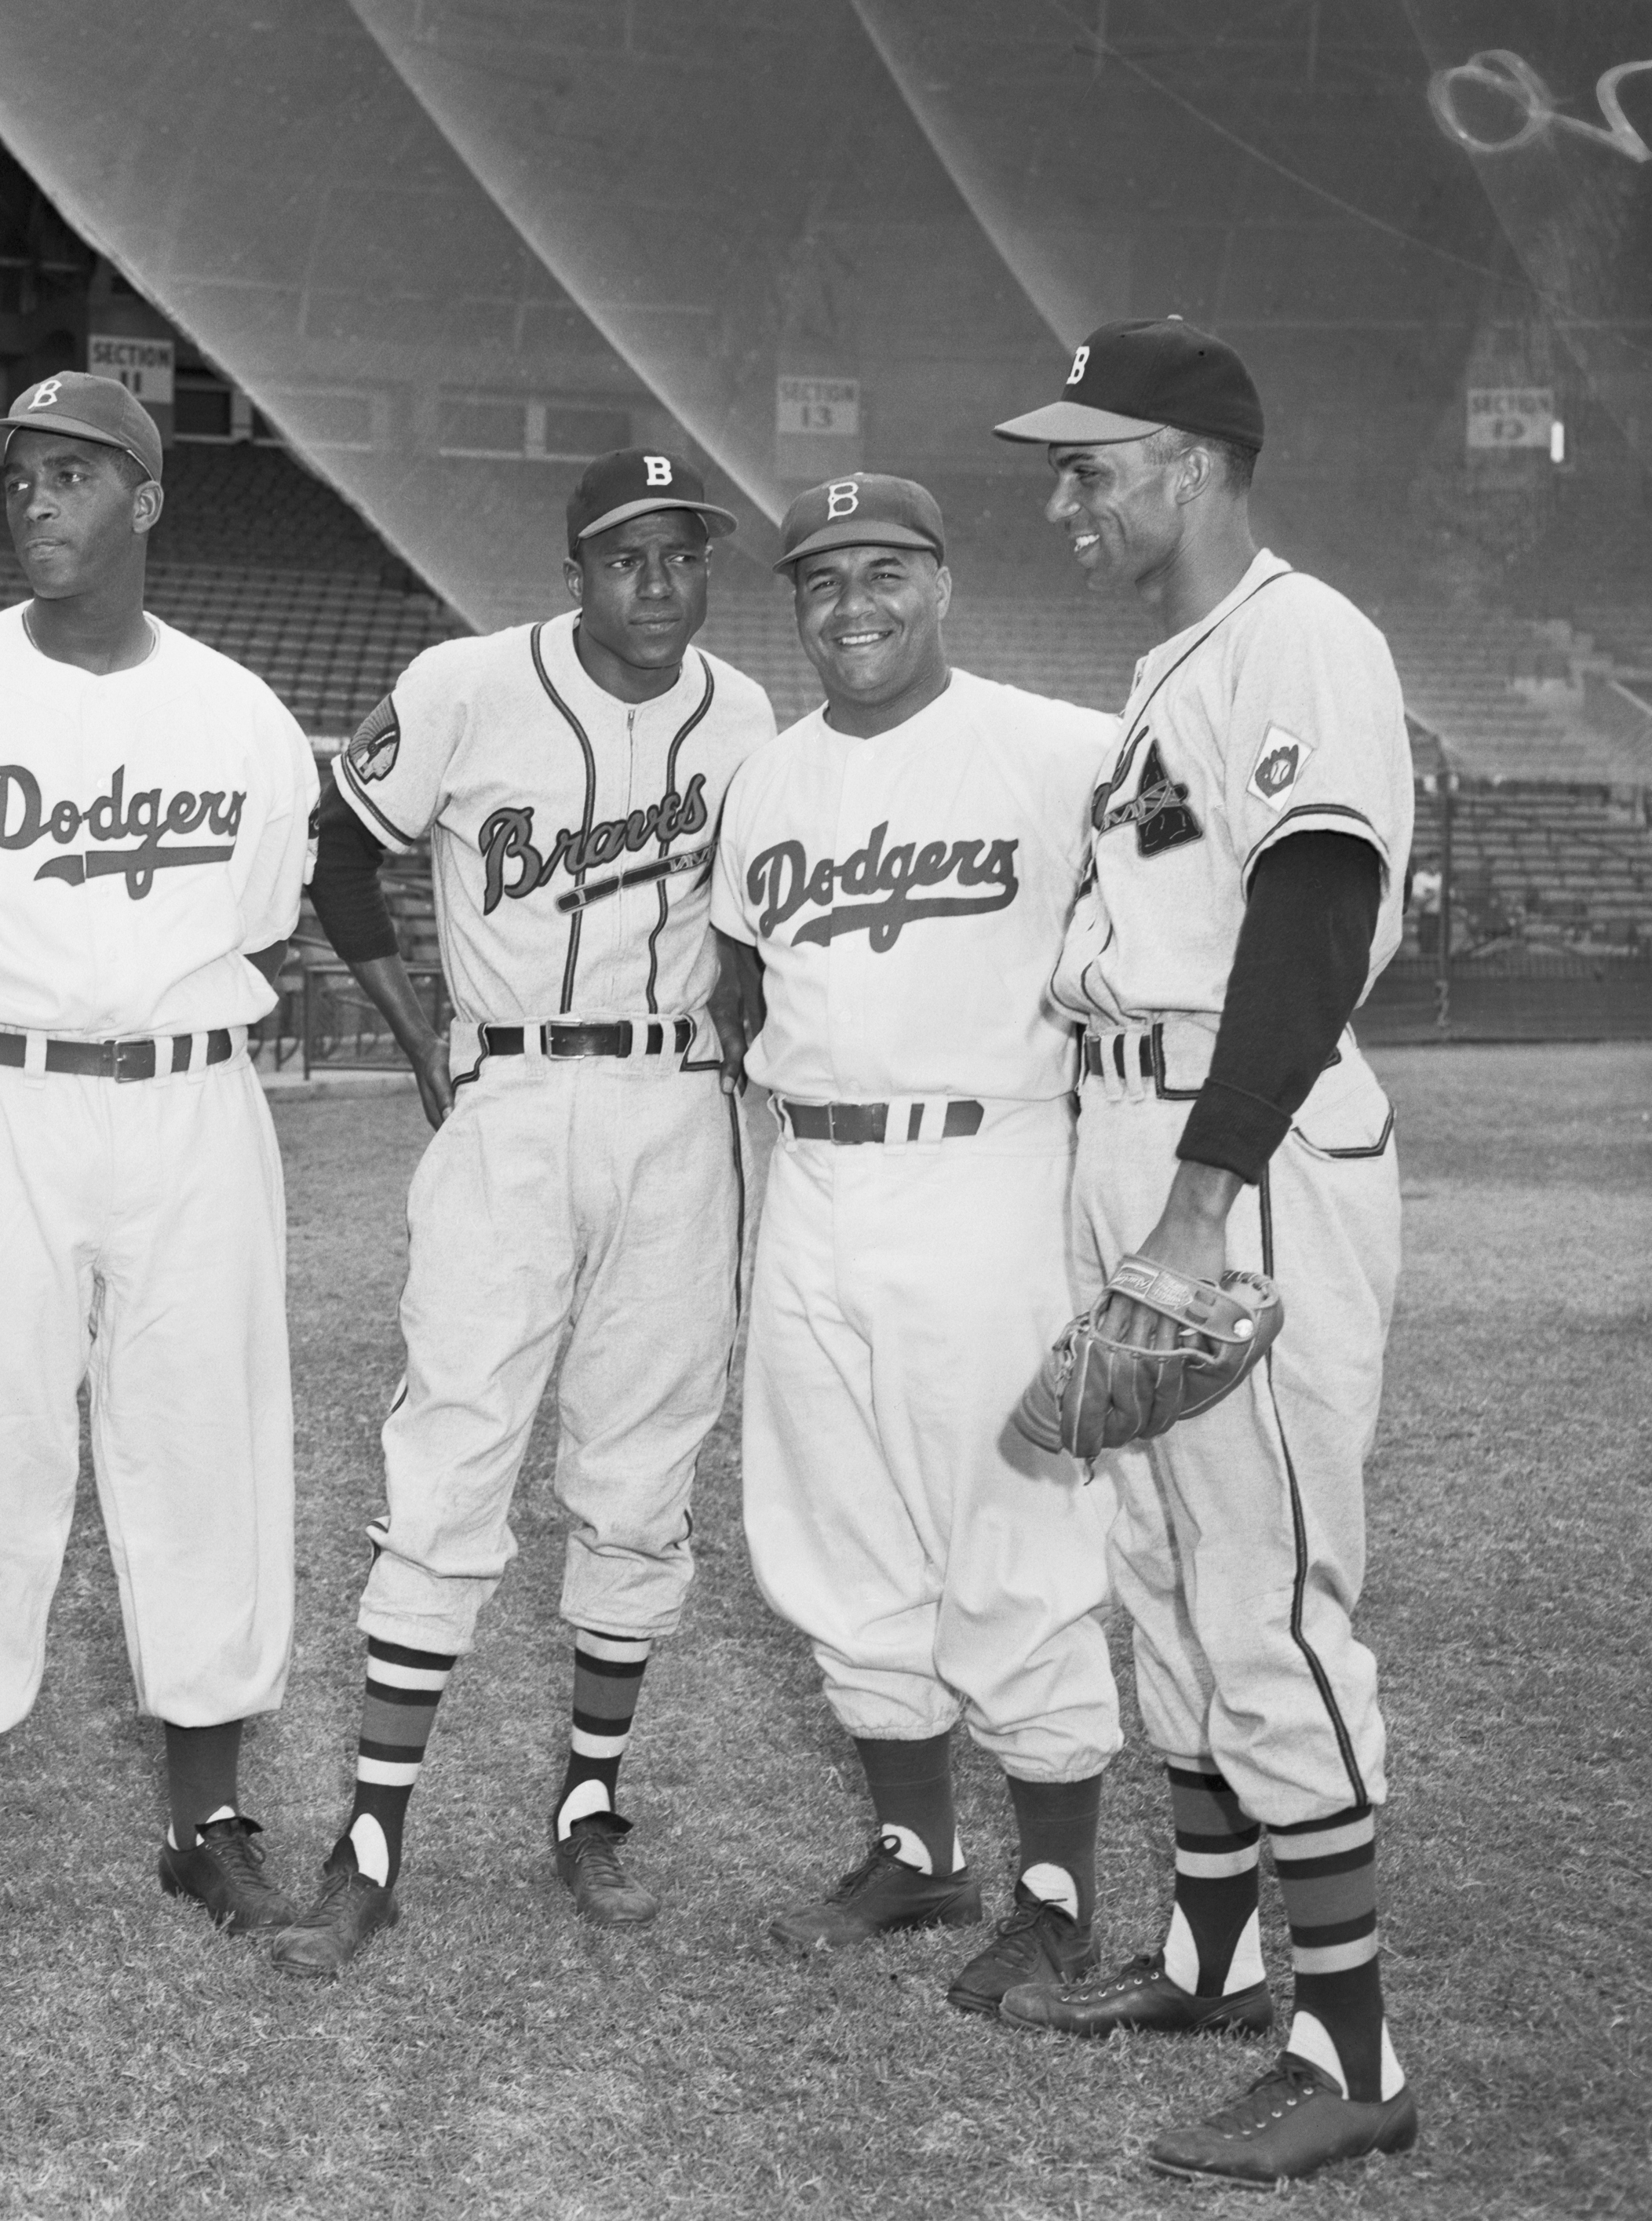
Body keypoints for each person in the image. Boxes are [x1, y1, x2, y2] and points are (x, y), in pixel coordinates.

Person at [987, 318, 1420, 2187]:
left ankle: (1352, 2041)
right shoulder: (1182, 662)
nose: (1063, 496)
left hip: (1239, 1146)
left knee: (1264, 1592)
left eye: (1092, 463)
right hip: (1138, 1120)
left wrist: (1196, 1192)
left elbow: (1314, 917)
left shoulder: (1300, 637)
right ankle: (1220, 1947)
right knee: (1161, 1571)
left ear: (1195, 461)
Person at [0, 372, 319, 1964]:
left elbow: (251, 926)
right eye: (19, 476)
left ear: (147, 501)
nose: (34, 500)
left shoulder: (242, 713)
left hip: (189, 1104)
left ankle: (206, 1820)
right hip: (0, 1095)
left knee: (206, 1447)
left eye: (72, 475)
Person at [267, 447, 775, 1982]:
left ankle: (592, 1800)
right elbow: (335, 840)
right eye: (628, 556)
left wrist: (747, 998)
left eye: (682, 555)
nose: (658, 584)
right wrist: (416, 1031)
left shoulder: (747, 718)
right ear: (575, 568)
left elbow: (760, 900)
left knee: (644, 1457)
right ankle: (370, 1838)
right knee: (451, 1449)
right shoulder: (464, 687)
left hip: (681, 1107)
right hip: (513, 1100)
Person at [704, 473, 1121, 2015]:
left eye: (884, 571)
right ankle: (915, 1847)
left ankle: (1062, 1896)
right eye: (821, 580)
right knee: (839, 1519)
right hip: (811, 1170)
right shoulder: (769, 780)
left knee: (1008, 1524)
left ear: (942, 582)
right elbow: (746, 974)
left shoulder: (1059, 748)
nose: (852, 604)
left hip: (987, 1166)